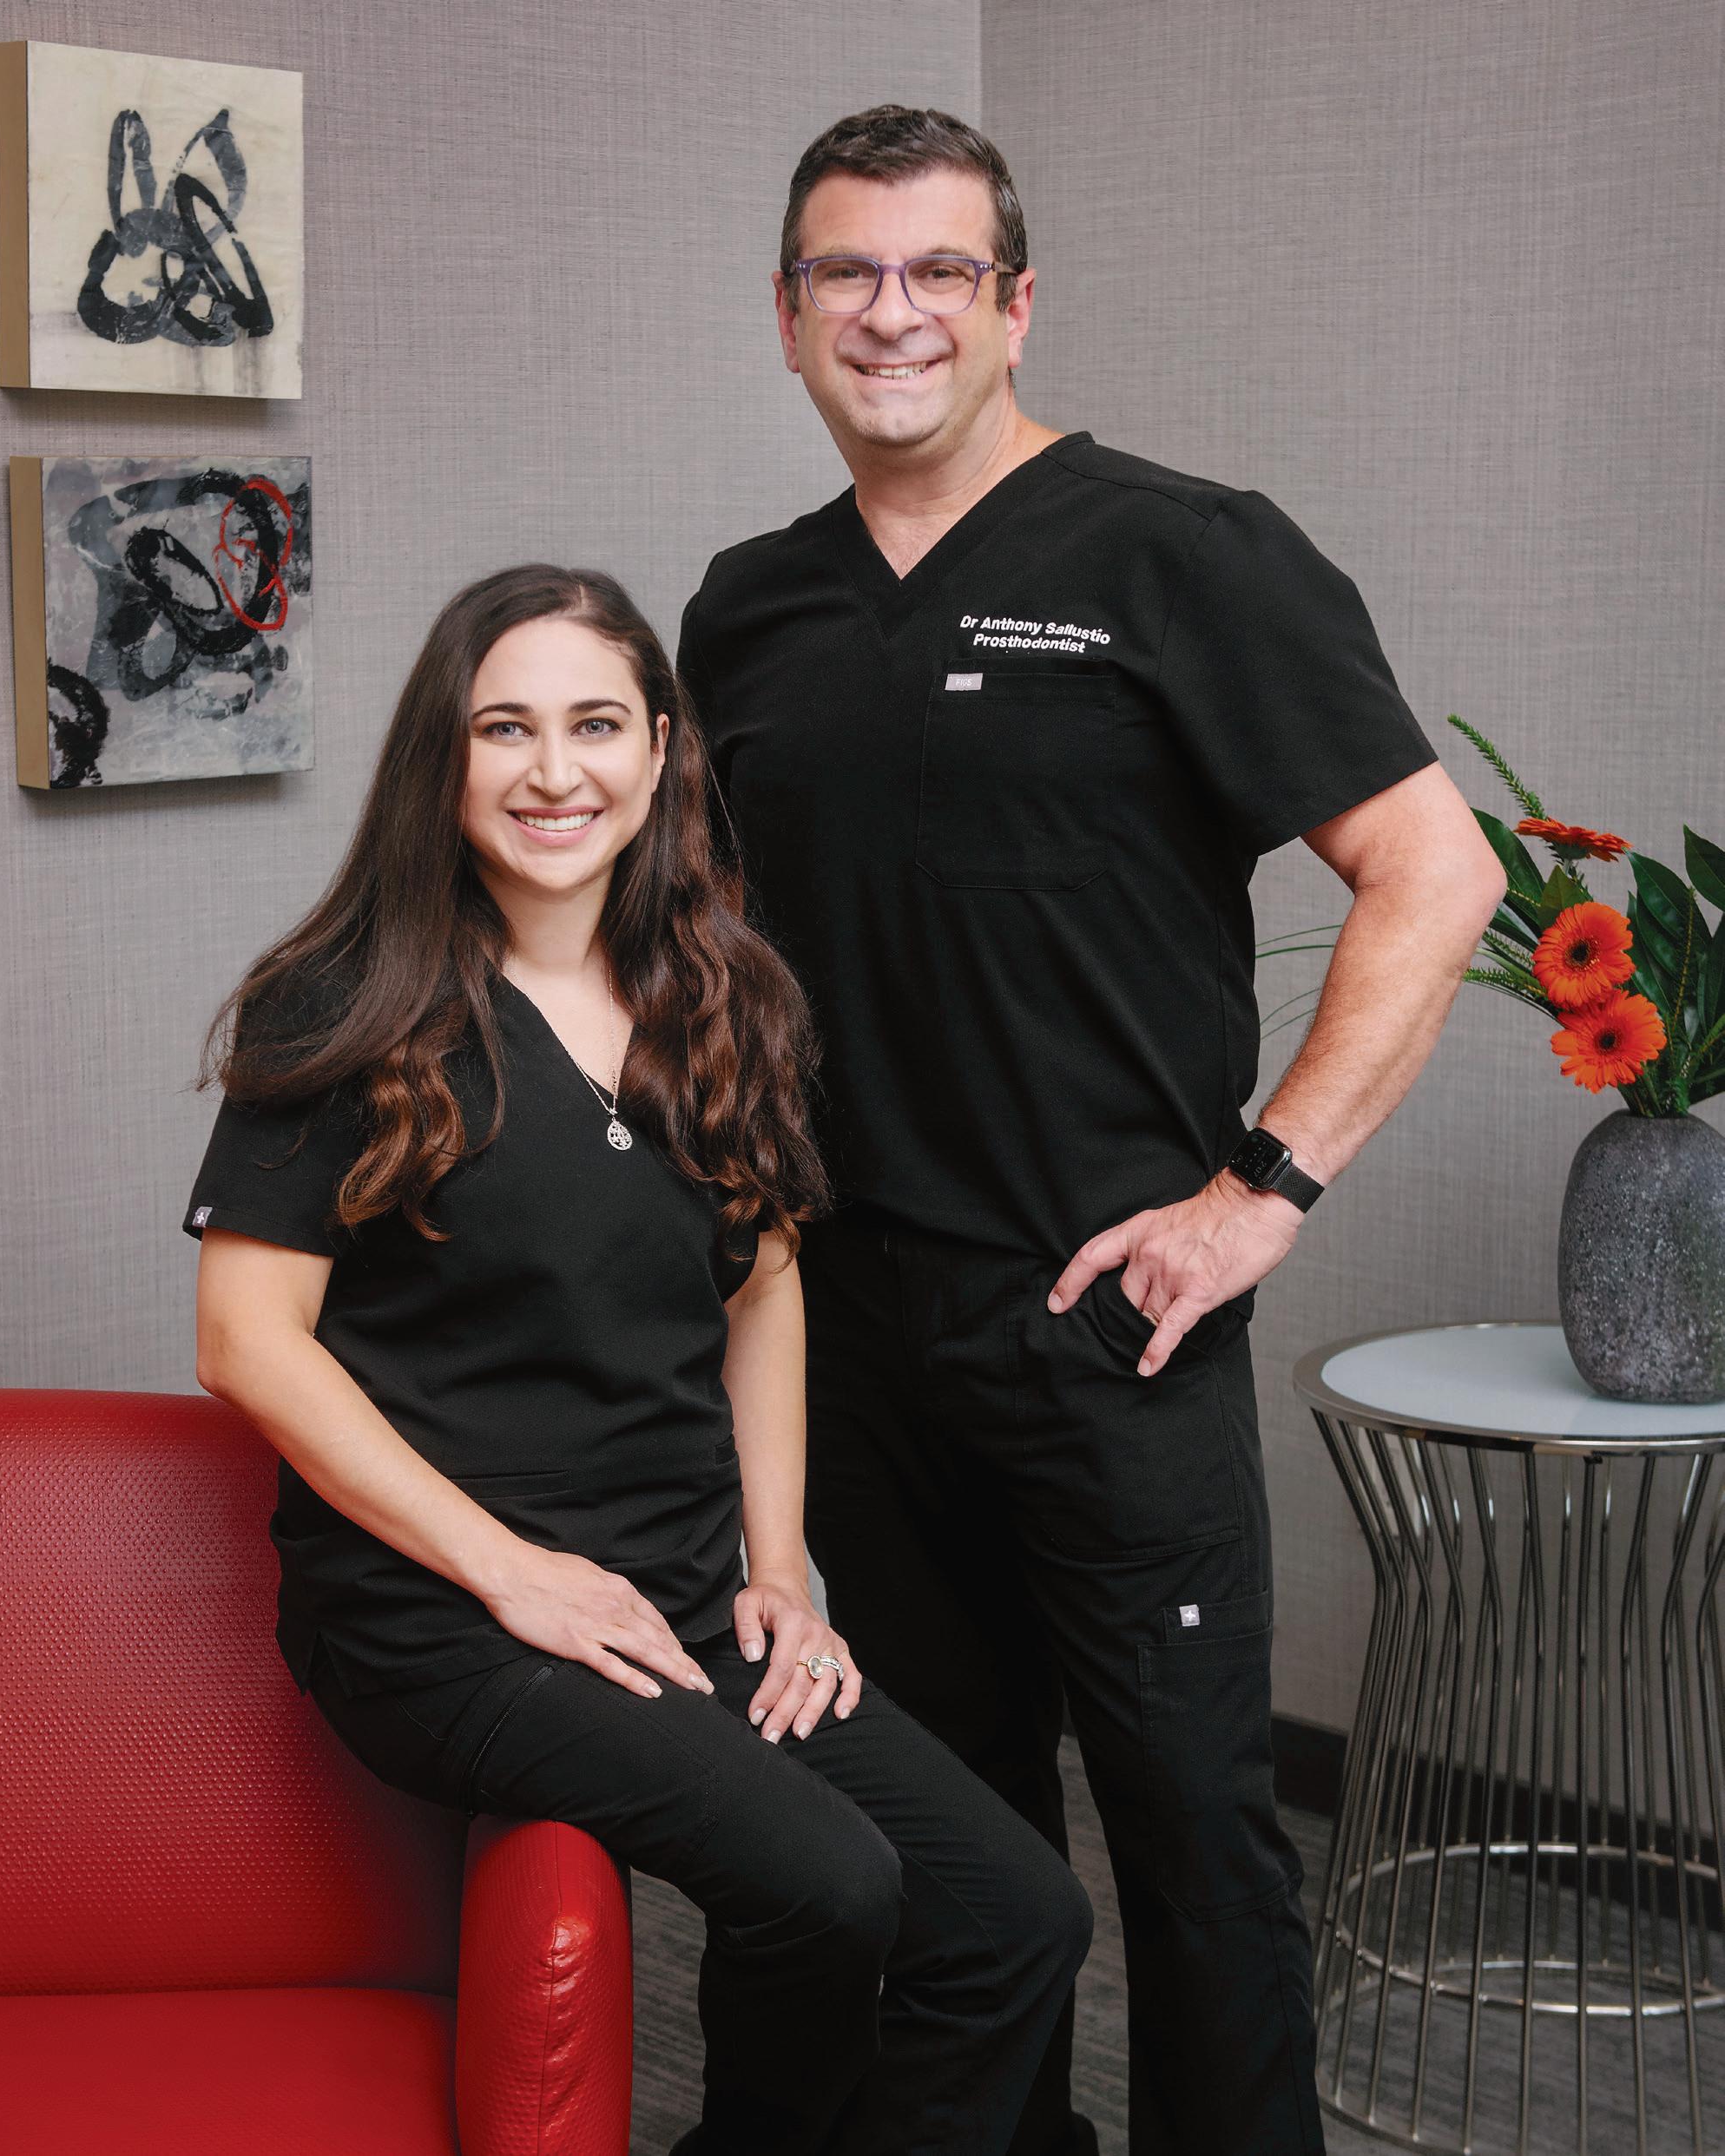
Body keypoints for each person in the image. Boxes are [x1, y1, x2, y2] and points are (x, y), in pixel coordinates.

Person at [676, 108, 1506, 2156]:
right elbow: (720, 943)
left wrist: (1264, 1190)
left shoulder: (1183, 553)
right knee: (948, 1841)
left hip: (1107, 1318)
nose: (891, 313)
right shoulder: (747, 609)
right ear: (784, 314)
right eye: (845, 272)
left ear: (1015, 303)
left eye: (939, 271)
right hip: (847, 1323)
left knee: (1193, 1842)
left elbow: (1436, 873)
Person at [184, 563, 1092, 2156]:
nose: (555, 772)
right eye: (506, 729)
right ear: (443, 754)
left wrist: (782, 1569)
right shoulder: (343, 1004)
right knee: (830, 1884)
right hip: (445, 1617)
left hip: (678, 1591)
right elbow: (246, 1345)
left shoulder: (722, 993)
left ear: (662, 747)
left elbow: (765, 1283)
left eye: (597, 724)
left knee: (1018, 1917)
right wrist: (513, 1574)